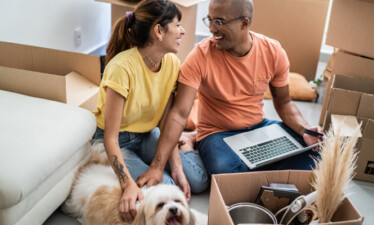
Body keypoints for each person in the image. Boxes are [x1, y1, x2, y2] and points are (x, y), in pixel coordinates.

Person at [136, 0, 325, 185]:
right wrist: (157, 167)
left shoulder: (273, 51)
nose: (211, 28)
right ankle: (269, 178)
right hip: (217, 134)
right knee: (223, 169)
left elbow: (284, 103)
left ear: (244, 23)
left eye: (219, 22)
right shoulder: (200, 55)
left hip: (258, 128)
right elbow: (179, 113)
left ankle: (251, 180)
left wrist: (304, 129)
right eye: (209, 20)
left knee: (318, 152)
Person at [91, 0, 209, 223]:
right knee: (168, 189)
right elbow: (110, 137)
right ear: (158, 31)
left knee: (198, 180)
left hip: (146, 134)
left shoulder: (172, 63)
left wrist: (176, 167)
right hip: (117, 142)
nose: (182, 30)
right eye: (177, 24)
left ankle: (188, 143)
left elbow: (167, 121)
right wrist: (127, 185)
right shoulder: (120, 68)